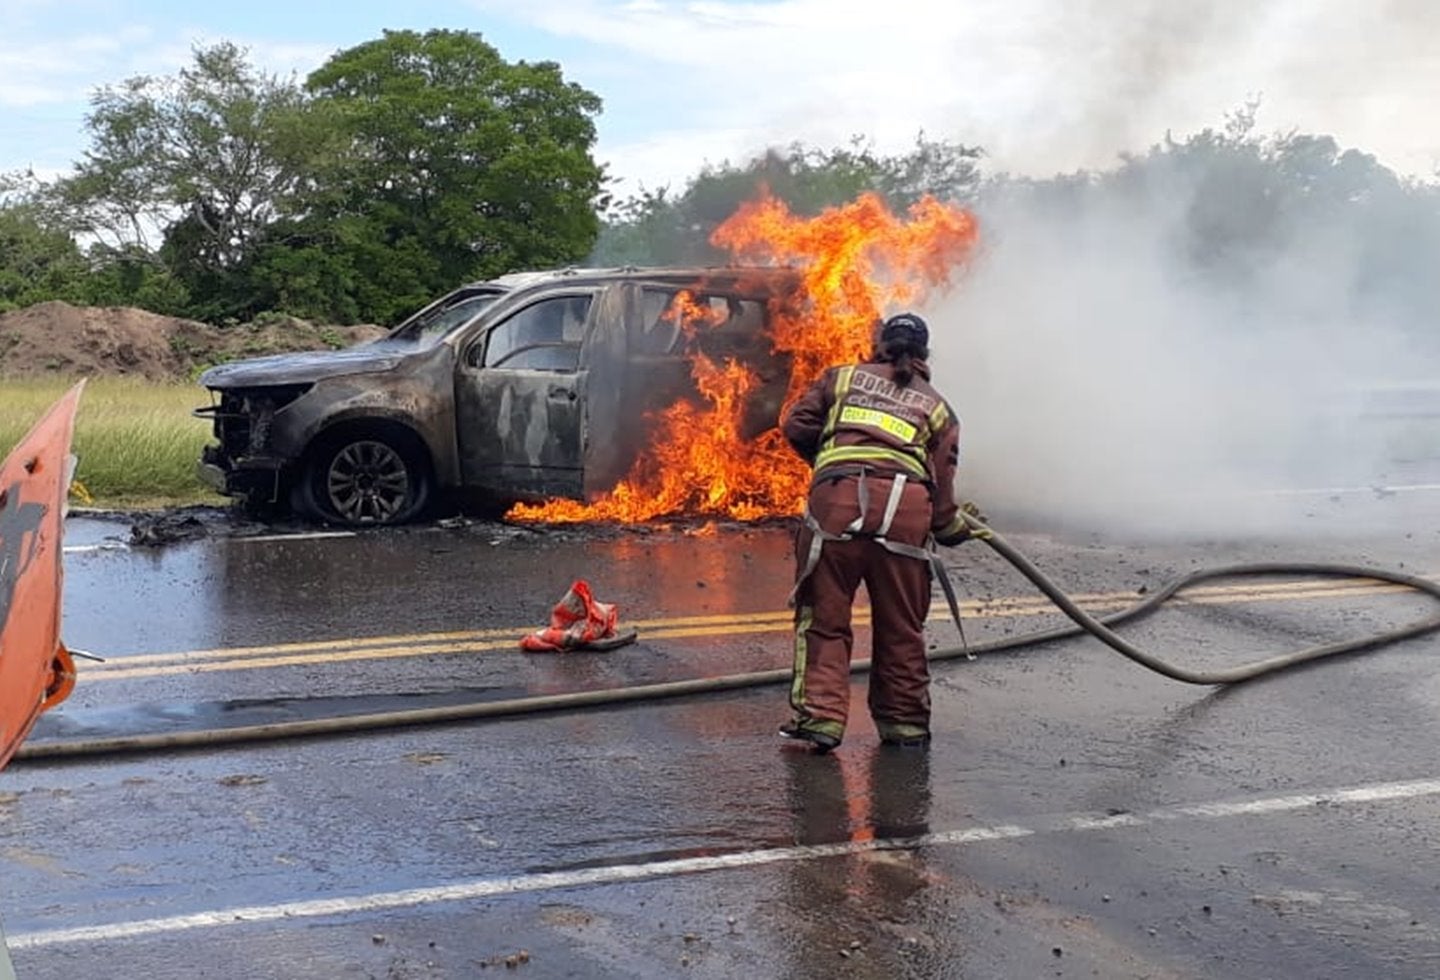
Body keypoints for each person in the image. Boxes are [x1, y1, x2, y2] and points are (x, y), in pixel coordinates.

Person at [779, 312, 970, 753]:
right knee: (902, 625)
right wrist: (951, 525)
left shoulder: (841, 378)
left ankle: (820, 720)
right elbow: (942, 483)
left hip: (837, 509)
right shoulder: (938, 407)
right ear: (925, 354)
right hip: (904, 515)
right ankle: (904, 726)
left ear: (878, 344)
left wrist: (831, 464)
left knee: (824, 618)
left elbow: (796, 426)